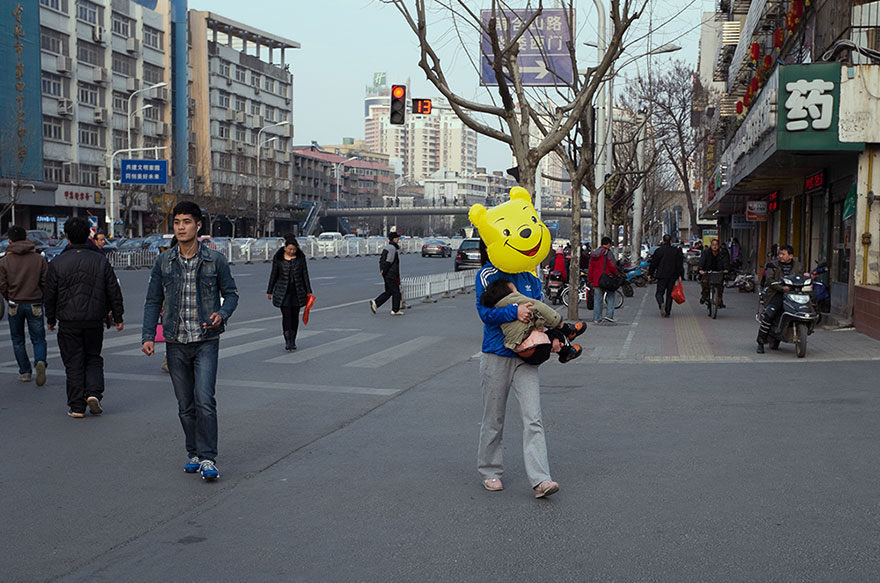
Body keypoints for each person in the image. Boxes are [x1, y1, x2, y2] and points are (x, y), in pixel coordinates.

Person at [469, 186, 559, 499]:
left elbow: (540, 313)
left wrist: (555, 338)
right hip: (496, 354)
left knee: (533, 417)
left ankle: (541, 478)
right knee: (493, 417)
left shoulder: (531, 278)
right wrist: (514, 310)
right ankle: (490, 470)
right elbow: (484, 312)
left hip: (526, 356)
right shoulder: (487, 274)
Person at [141, 202, 239, 481]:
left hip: (206, 339)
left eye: (186, 222)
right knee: (185, 405)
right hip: (175, 341)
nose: (181, 227)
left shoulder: (215, 261)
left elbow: (231, 294)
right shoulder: (164, 262)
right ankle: (193, 453)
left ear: (198, 226)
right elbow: (152, 301)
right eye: (177, 222)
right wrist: (149, 336)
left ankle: (208, 458)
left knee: (205, 399)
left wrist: (221, 314)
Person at [44, 217, 124, 418]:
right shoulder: (100, 260)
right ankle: (94, 393)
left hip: (69, 321)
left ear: (67, 237)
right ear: (89, 235)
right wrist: (118, 316)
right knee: (93, 357)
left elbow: (50, 294)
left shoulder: (57, 263)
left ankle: (77, 406)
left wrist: (51, 319)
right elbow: (113, 290)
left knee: (73, 362)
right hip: (94, 320)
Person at [480, 278, 586, 365]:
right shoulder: (516, 299)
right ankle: (568, 341)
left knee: (550, 331)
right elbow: (540, 307)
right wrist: (557, 320)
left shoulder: (498, 305)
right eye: (515, 290)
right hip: (535, 349)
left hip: (519, 350)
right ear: (509, 293)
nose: (518, 292)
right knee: (555, 332)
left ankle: (568, 337)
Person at [0, 225, 48, 385]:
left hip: (15, 304)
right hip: (34, 302)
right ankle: (40, 361)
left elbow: (2, 285)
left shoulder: (4, 261)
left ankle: (25, 371)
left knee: (18, 339)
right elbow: (45, 282)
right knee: (38, 339)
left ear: (10, 240)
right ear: (26, 239)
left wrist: (9, 297)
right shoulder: (39, 259)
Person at [267, 236, 312, 350]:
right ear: (285, 248)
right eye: (290, 249)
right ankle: (287, 340)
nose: (292, 251)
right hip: (283, 292)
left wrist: (308, 291)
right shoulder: (279, 259)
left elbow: (305, 275)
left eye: (294, 249)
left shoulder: (300, 259)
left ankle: (293, 339)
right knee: (286, 316)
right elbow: (274, 274)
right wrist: (269, 290)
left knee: (295, 316)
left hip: (297, 292)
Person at [756, 245, 803, 354]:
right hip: (776, 294)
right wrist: (781, 288)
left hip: (793, 294)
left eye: (783, 254)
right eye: (780, 254)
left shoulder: (798, 266)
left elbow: (801, 278)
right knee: (770, 314)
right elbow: (769, 280)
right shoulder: (773, 265)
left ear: (790, 256)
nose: (780, 256)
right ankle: (761, 342)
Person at [648, 234, 684, 317]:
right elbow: (679, 264)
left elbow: (653, 264)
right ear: (671, 241)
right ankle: (667, 312)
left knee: (659, 293)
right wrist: (680, 275)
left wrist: (650, 274)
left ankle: (661, 304)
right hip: (672, 276)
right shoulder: (675, 251)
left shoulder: (659, 251)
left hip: (661, 275)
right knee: (669, 294)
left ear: (663, 241)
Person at [370, 231, 403, 316]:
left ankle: (376, 303)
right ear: (394, 239)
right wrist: (385, 271)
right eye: (397, 238)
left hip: (387, 273)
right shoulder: (392, 249)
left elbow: (381, 260)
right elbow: (389, 261)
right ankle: (395, 310)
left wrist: (382, 271)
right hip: (391, 274)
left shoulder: (387, 247)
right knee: (396, 292)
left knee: (388, 292)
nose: (398, 239)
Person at [588, 236, 619, 324]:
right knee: (611, 296)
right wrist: (617, 275)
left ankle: (597, 318)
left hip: (597, 280)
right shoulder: (608, 253)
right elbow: (612, 266)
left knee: (597, 299)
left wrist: (590, 280)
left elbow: (591, 268)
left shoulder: (594, 254)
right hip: (607, 279)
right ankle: (609, 315)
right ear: (608, 244)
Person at [698, 238, 730, 308]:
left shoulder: (722, 253)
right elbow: (702, 261)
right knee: (704, 283)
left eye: (716, 245)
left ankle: (719, 301)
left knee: (720, 287)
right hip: (708, 272)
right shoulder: (706, 252)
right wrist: (701, 269)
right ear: (711, 246)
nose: (714, 247)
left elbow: (726, 262)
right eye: (713, 245)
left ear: (718, 246)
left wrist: (726, 269)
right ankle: (704, 296)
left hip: (718, 273)